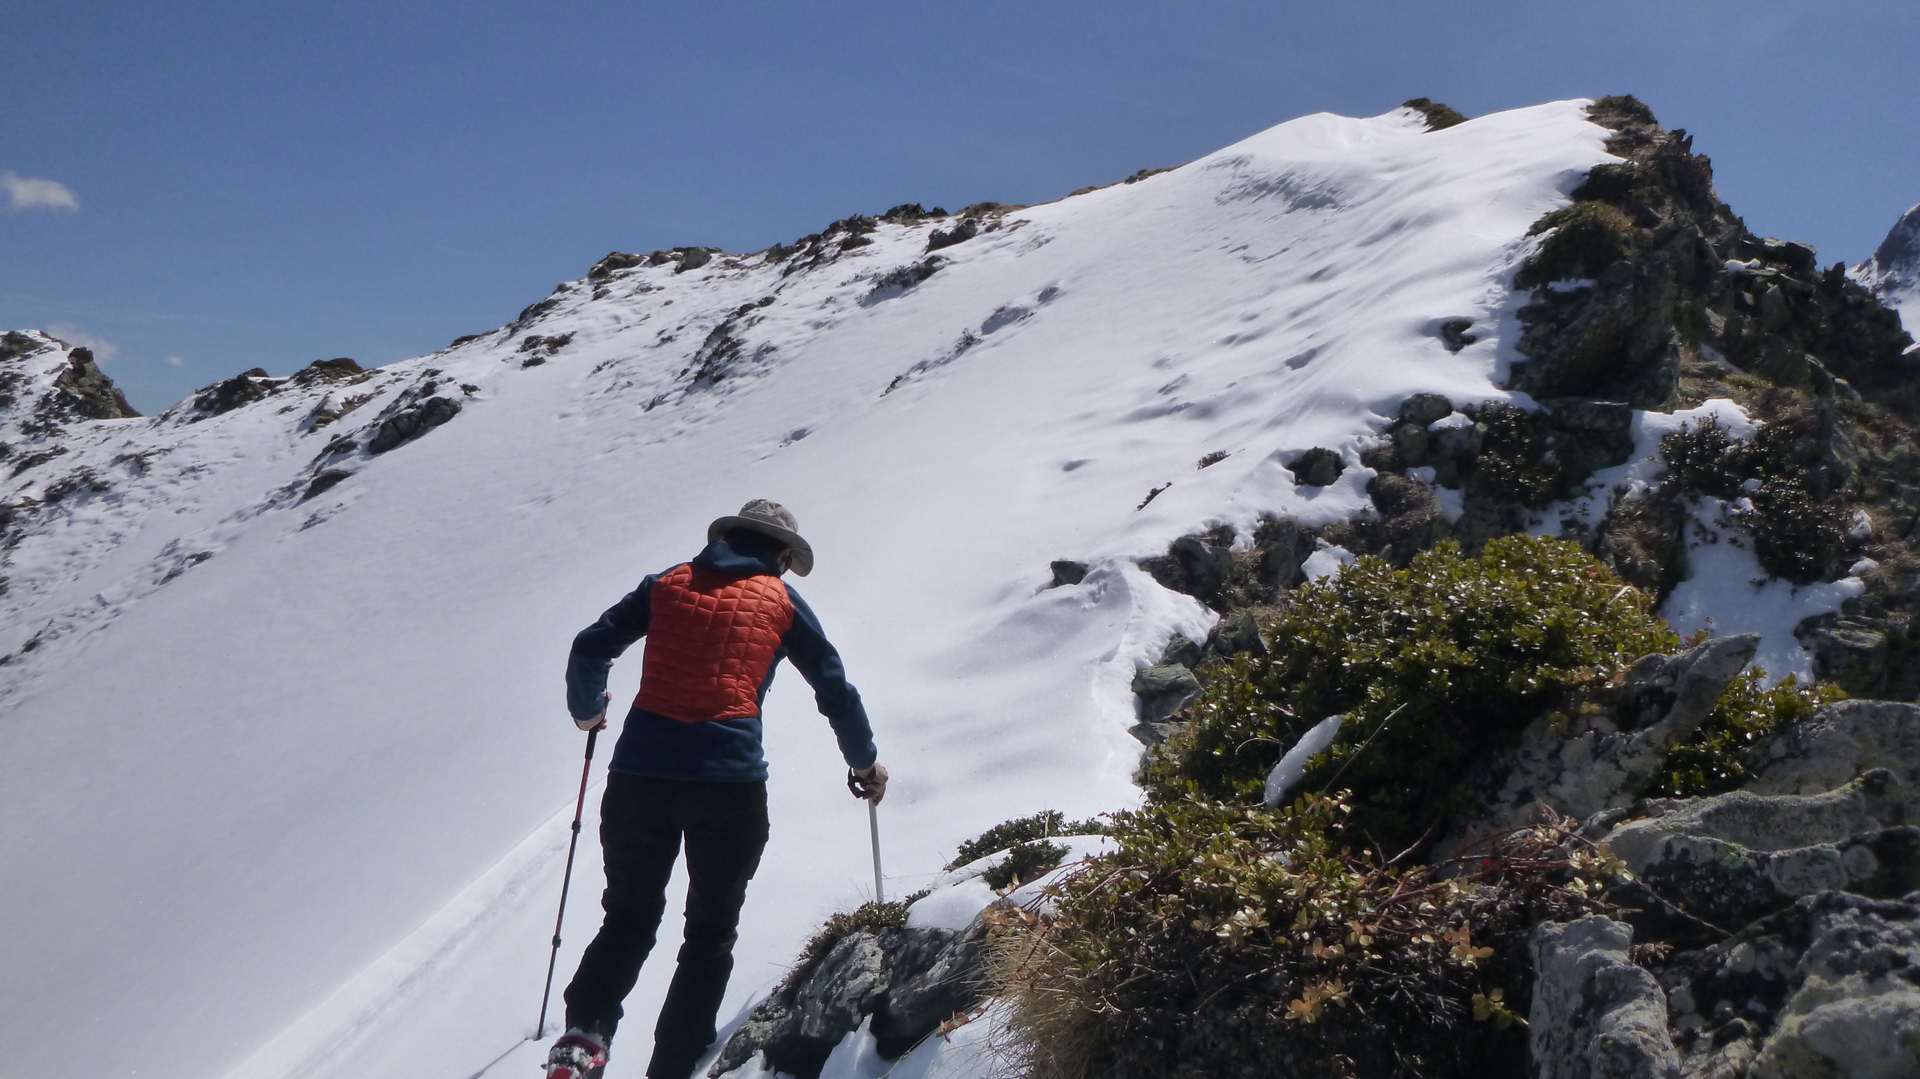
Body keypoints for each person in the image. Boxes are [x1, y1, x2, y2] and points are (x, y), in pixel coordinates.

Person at [545, 499, 888, 1079]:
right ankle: (672, 1066)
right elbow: (834, 689)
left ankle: (583, 1038)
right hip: (727, 786)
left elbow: (590, 646)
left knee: (626, 919)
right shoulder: (780, 600)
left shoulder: (665, 584)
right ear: (781, 553)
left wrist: (586, 711)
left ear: (726, 537)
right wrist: (864, 764)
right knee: (709, 932)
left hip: (638, 779)